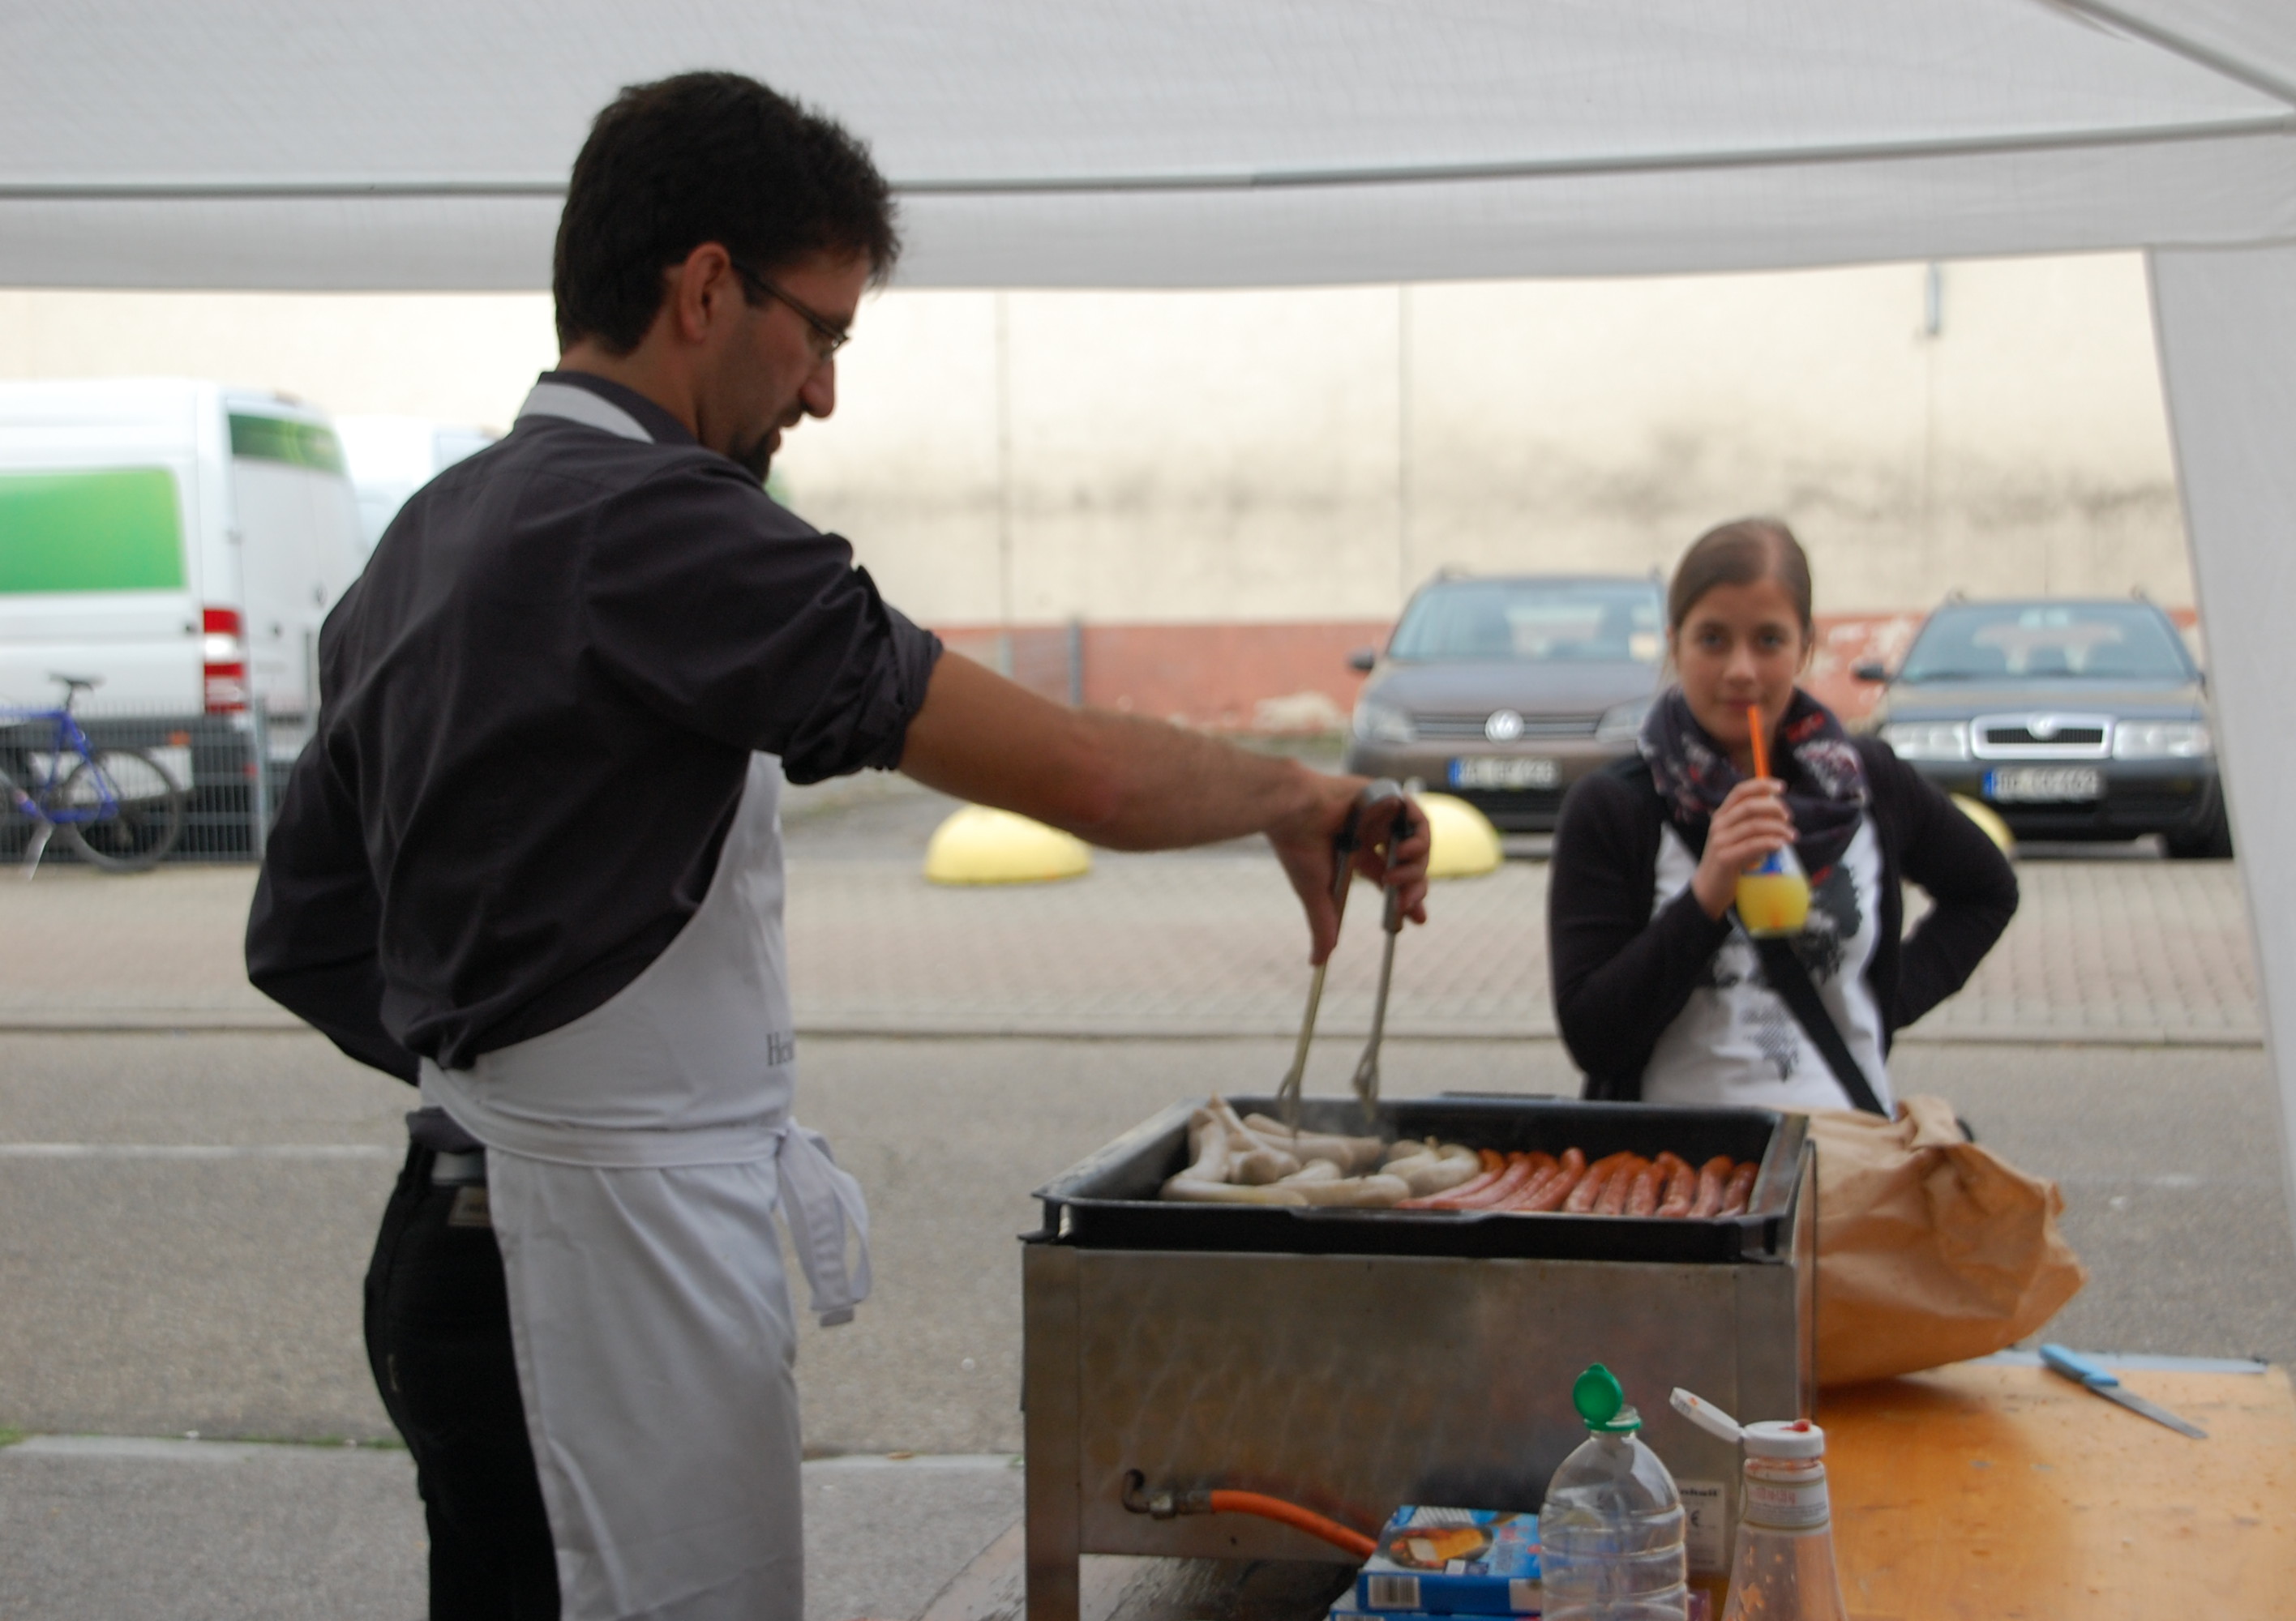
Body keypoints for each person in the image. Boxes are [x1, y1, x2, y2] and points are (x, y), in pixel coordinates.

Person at [244, 71, 1429, 1621]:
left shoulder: (428, 532)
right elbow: (1084, 773)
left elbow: (303, 935)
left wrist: (503, 1087)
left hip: (449, 1254)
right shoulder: (671, 530)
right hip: (596, 1277)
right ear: (707, 286)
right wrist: (1299, 793)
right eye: (821, 332)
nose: (819, 394)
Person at [1547, 519, 2013, 1112]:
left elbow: (1988, 892)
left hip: (1844, 1156)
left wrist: (1879, 1002)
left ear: (1805, 647)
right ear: (1676, 643)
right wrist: (1707, 895)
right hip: (1674, 1173)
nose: (1741, 670)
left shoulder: (1865, 785)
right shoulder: (1615, 808)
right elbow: (1593, 1038)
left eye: (1769, 640)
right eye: (1712, 639)